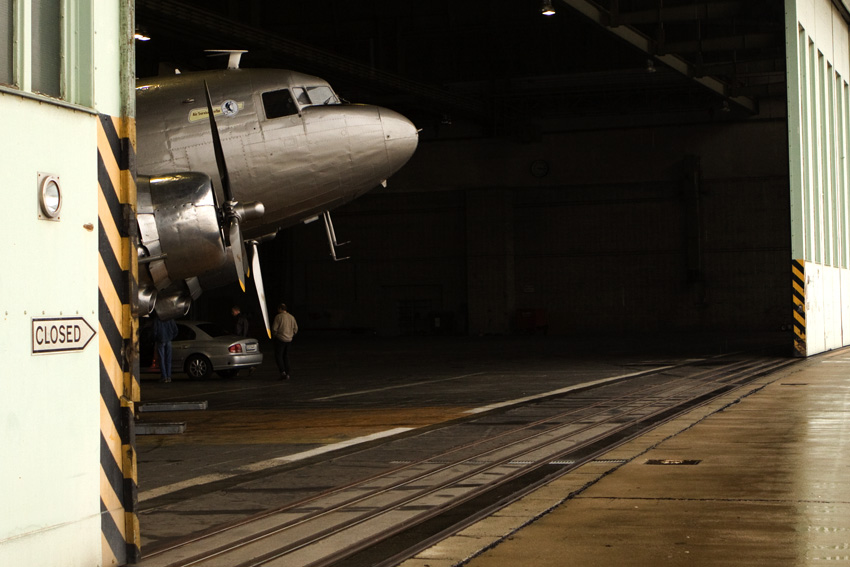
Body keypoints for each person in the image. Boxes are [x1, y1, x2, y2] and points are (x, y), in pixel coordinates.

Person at [272, 303, 298, 380]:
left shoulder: (278, 317)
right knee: (286, 356)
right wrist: (291, 334)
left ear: (280, 309)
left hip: (280, 339)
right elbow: (295, 329)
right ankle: (288, 373)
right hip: (289, 339)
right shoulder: (291, 317)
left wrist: (275, 335)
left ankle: (282, 371)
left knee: (279, 356)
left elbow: (274, 329)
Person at [152, 314, 179, 383]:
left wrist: (155, 339)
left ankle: (164, 377)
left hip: (160, 340)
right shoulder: (170, 319)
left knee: (162, 359)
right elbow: (176, 330)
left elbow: (155, 331)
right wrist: (171, 337)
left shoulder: (157, 319)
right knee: (168, 360)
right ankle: (169, 376)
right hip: (168, 340)